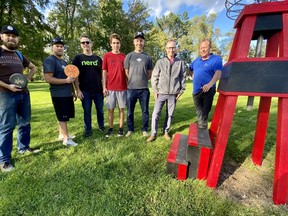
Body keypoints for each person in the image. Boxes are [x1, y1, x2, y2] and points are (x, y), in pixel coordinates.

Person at [0, 25, 38, 172]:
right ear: (2, 36)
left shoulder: (19, 54)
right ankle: (4, 160)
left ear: (17, 39)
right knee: (6, 126)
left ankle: (23, 147)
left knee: (24, 122)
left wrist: (26, 79)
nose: (11, 38)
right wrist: (8, 86)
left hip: (23, 94)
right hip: (5, 94)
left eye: (14, 36)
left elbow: (33, 67)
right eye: (8, 35)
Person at [146, 39, 186, 142]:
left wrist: (181, 91)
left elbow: (183, 78)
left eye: (173, 47)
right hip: (161, 93)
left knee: (170, 114)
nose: (171, 50)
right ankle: (153, 134)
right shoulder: (160, 62)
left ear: (175, 48)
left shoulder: (180, 62)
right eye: (169, 48)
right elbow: (154, 77)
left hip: (173, 94)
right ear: (165, 49)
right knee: (155, 113)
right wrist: (155, 91)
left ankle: (166, 131)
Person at [43, 37, 78, 146]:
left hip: (66, 93)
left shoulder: (63, 61)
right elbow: (48, 78)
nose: (60, 48)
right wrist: (65, 81)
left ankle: (62, 134)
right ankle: (67, 139)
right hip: (58, 94)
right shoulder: (50, 60)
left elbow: (70, 77)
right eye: (57, 46)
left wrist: (73, 91)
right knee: (62, 116)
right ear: (52, 47)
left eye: (61, 46)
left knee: (64, 115)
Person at [72, 35, 104, 137]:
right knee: (87, 111)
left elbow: (103, 75)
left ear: (91, 44)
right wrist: (78, 90)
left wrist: (104, 88)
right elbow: (75, 75)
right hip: (85, 90)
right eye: (83, 43)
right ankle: (88, 130)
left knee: (100, 109)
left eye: (87, 42)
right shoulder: (78, 58)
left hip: (98, 90)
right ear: (81, 45)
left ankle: (101, 126)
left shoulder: (98, 58)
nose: (85, 44)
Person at [124, 31, 153, 137]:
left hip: (144, 89)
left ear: (143, 42)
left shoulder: (147, 57)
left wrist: (142, 79)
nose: (139, 42)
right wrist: (133, 79)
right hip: (131, 89)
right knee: (129, 111)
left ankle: (145, 129)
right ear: (134, 42)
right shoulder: (129, 56)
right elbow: (126, 72)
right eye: (137, 40)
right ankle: (130, 129)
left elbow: (150, 73)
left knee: (145, 111)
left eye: (141, 40)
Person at [189, 39, 222, 129]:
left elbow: (218, 73)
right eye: (201, 48)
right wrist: (193, 77)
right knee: (198, 111)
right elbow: (190, 69)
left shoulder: (216, 59)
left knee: (204, 111)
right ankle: (201, 126)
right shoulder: (196, 61)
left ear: (210, 48)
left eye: (205, 47)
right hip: (196, 90)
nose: (203, 50)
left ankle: (203, 128)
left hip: (208, 89)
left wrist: (210, 84)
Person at [102, 33, 127, 138]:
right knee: (110, 109)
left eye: (117, 43)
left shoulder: (124, 57)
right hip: (110, 88)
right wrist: (104, 86)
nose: (116, 45)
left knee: (121, 109)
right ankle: (111, 129)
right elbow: (104, 72)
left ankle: (121, 129)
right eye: (114, 43)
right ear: (110, 44)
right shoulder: (107, 56)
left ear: (120, 44)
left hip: (122, 87)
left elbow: (126, 72)